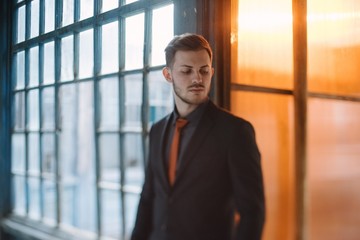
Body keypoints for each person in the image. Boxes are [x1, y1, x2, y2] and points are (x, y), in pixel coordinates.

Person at [131, 33, 265, 240]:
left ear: (211, 72)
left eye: (204, 71)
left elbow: (252, 212)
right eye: (186, 71)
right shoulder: (157, 130)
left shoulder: (236, 132)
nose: (197, 79)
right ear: (168, 75)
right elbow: (148, 197)